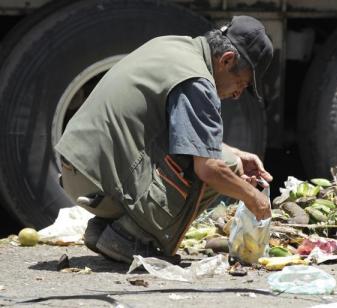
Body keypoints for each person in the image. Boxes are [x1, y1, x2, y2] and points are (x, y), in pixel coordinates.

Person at [55, 15, 274, 263]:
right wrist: (253, 197)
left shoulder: (172, 46)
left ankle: (107, 229)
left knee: (225, 156)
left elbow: (177, 131)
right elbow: (209, 169)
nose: (236, 95)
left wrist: (235, 151)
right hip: (99, 182)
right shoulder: (198, 81)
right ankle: (132, 236)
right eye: (241, 84)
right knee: (226, 164)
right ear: (226, 60)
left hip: (77, 172)